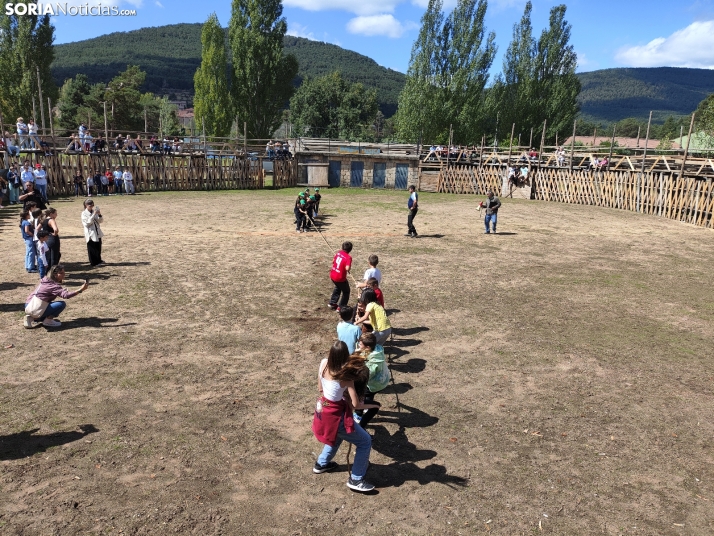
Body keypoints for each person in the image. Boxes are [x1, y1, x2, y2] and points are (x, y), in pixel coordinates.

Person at [312, 341, 377, 492]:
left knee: (335, 435)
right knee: (365, 442)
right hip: (336, 416)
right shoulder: (345, 376)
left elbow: (320, 388)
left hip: (323, 410)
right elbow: (355, 404)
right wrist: (373, 405)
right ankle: (356, 478)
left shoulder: (323, 364)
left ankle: (322, 464)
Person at [24, 264, 89, 329]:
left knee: (47, 308)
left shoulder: (45, 280)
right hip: (35, 307)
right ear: (55, 275)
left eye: (64, 272)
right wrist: (81, 290)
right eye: (61, 273)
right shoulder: (53, 286)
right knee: (61, 304)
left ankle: (31, 317)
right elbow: (66, 295)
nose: (64, 274)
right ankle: (47, 321)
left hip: (28, 304)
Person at [353, 333, 390, 429]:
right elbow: (365, 354)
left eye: (360, 344)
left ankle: (358, 414)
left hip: (375, 383)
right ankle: (367, 406)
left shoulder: (373, 365)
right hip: (382, 379)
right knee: (369, 395)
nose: (358, 345)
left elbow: (364, 378)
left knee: (362, 395)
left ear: (367, 347)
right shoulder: (376, 349)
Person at [328, 241, 353, 311]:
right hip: (340, 278)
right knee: (346, 291)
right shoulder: (348, 257)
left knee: (338, 287)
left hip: (333, 275)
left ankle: (332, 303)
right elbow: (347, 268)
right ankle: (341, 307)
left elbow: (332, 261)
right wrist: (349, 267)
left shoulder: (338, 253)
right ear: (350, 249)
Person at [81, 199, 105, 267]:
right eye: (90, 205)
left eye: (93, 205)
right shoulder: (84, 213)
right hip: (90, 233)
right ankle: (94, 262)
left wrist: (99, 214)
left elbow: (100, 221)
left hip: (97, 231)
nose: (92, 207)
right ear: (86, 205)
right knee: (92, 248)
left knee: (98, 246)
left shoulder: (93, 212)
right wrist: (93, 214)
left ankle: (98, 260)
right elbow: (87, 223)